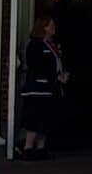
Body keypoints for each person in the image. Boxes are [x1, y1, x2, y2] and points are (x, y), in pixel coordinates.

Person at [17, 15, 67, 160]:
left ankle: (41, 148)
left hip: (50, 88)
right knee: (35, 118)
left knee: (47, 118)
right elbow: (36, 65)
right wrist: (54, 76)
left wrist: (61, 75)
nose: (54, 27)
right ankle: (28, 148)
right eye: (51, 25)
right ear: (44, 27)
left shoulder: (51, 45)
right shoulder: (35, 45)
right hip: (38, 87)